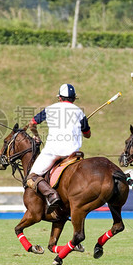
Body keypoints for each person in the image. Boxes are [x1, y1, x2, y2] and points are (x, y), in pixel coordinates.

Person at [27, 83, 91, 215]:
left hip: (52, 151)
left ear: (60, 98)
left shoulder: (50, 109)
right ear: (73, 99)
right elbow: (88, 134)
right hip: (73, 154)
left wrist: (36, 135)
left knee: (31, 176)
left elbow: (32, 123)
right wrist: (81, 127)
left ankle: (51, 195)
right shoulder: (79, 112)